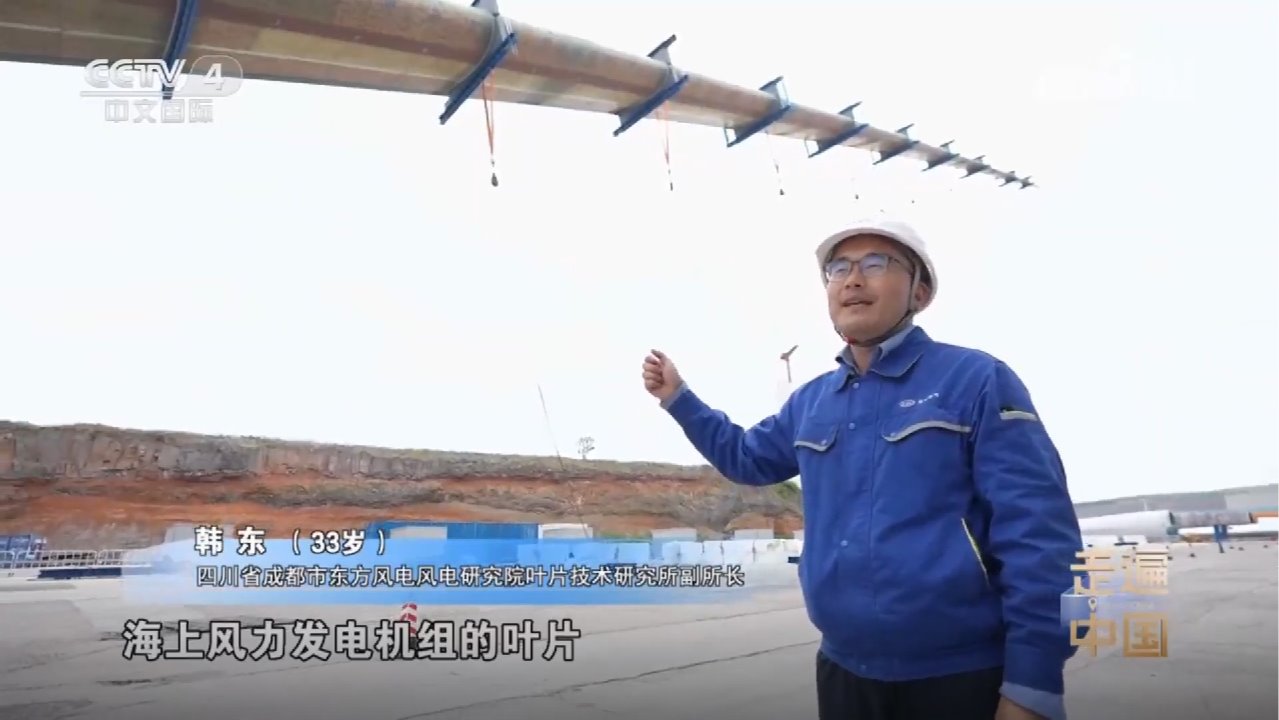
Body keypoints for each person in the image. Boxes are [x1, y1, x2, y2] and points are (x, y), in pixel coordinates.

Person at [641, 217, 1082, 720]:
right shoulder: (812, 401)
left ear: (920, 292)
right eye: (838, 268)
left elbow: (1039, 533)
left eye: (876, 264)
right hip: (844, 674)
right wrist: (679, 399)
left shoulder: (977, 381)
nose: (852, 280)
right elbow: (746, 457)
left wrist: (1032, 685)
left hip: (961, 677)